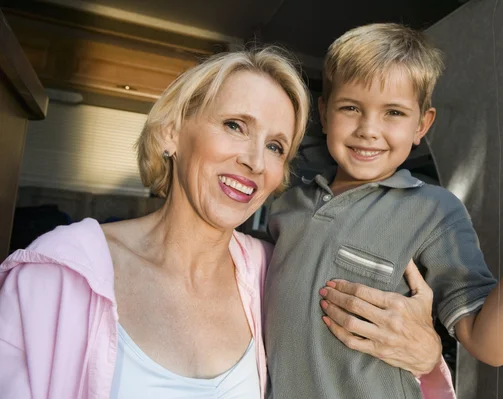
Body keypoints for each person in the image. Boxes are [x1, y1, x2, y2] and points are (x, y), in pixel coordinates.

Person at [0, 46, 446, 399]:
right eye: (235, 125)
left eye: (275, 146)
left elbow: (354, 374)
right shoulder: (57, 273)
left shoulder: (276, 271)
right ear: (171, 131)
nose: (253, 161)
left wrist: (425, 354)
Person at [264, 23, 503, 399]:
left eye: (394, 113)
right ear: (324, 111)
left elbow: (491, 344)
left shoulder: (435, 210)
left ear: (422, 125)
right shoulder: (285, 206)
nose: (369, 129)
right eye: (351, 107)